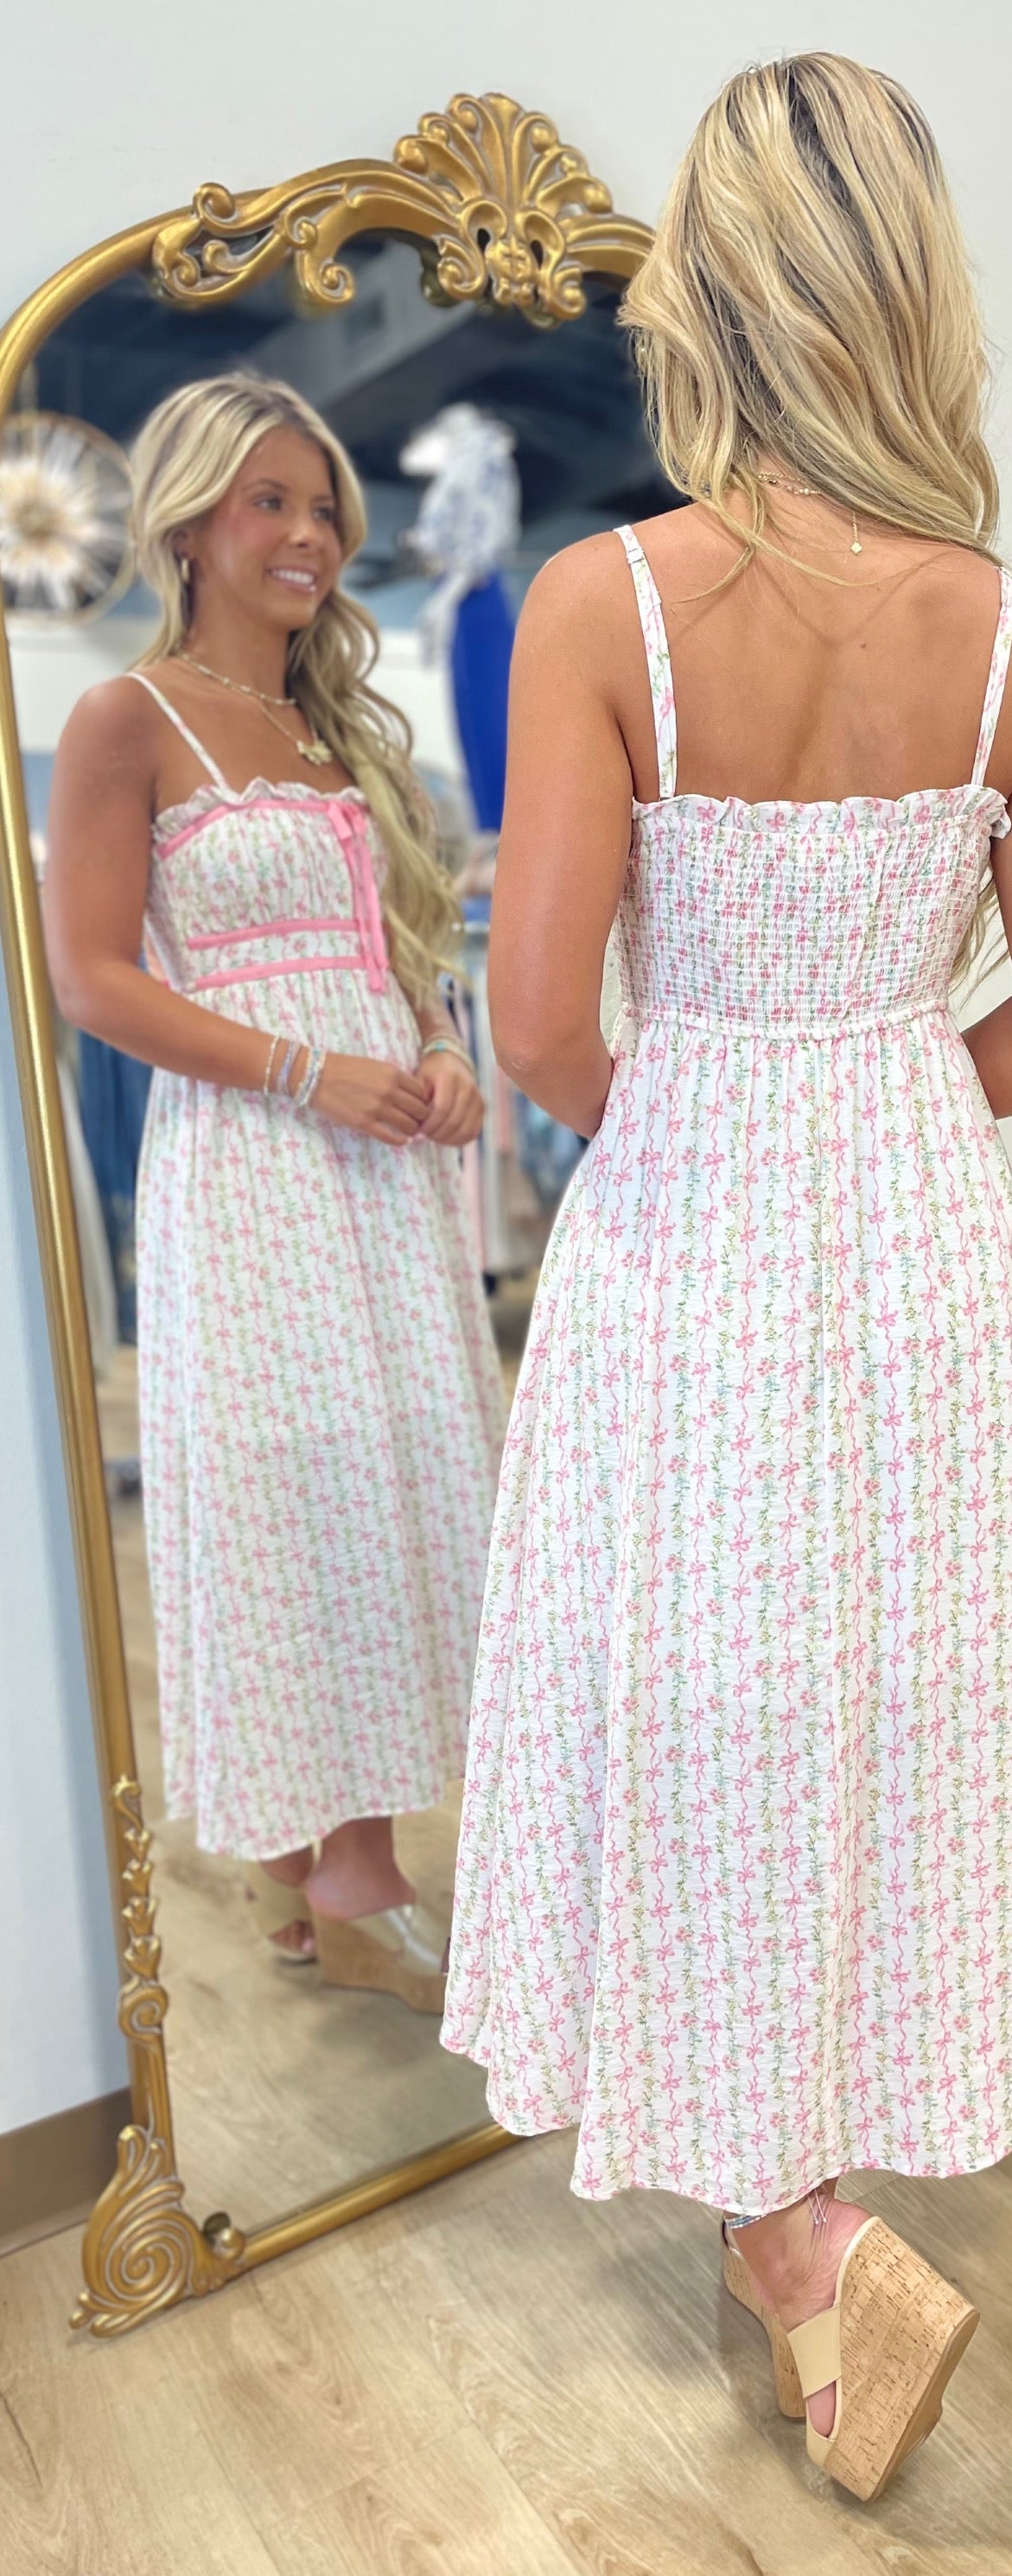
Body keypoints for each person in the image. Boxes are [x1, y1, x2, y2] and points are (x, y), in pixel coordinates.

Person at [442, 54, 1012, 2496]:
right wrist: (884, 1112)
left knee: (703, 1710)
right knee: (884, 1702)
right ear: (913, 292)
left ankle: (803, 2239)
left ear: (705, 293)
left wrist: (724, 1118)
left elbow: (540, 1021)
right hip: (917, 1252)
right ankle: (812, 2228)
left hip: (688, 1237)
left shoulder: (606, 605)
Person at [44, 374, 507, 2011]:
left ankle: (318, 1856)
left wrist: (440, 1049)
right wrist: (311, 1071)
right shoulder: (127, 720)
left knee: (395, 1471)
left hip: (385, 1161)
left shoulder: (341, 735)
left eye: (325, 508)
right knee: (293, 1491)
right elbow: (93, 979)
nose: (310, 534)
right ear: (187, 522)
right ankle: (336, 1866)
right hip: (252, 1165)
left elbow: (407, 953)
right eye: (271, 502)